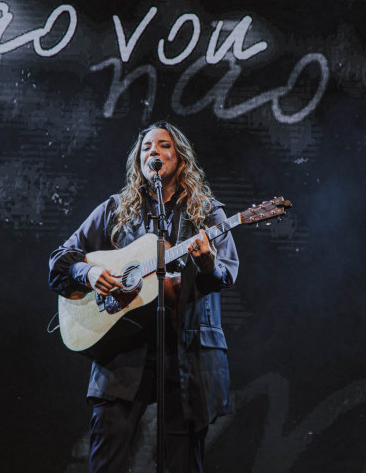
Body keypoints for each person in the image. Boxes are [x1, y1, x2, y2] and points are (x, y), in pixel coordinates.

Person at [49, 122, 239, 472]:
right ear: (138, 162)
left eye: (164, 145)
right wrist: (89, 273)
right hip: (122, 352)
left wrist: (208, 262)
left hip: (186, 353)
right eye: (146, 147)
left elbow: (224, 274)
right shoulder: (115, 210)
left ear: (180, 159)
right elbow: (61, 260)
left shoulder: (207, 213)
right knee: (106, 459)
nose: (153, 150)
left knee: (182, 463)